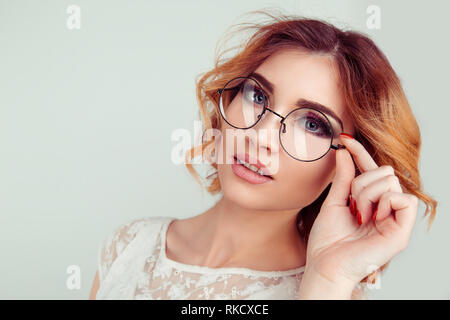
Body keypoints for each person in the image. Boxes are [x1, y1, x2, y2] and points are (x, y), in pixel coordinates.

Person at [89, 10, 437, 300]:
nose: (260, 136)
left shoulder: (330, 288)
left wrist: (327, 281)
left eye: (313, 124)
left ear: (347, 163)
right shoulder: (128, 247)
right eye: (257, 95)